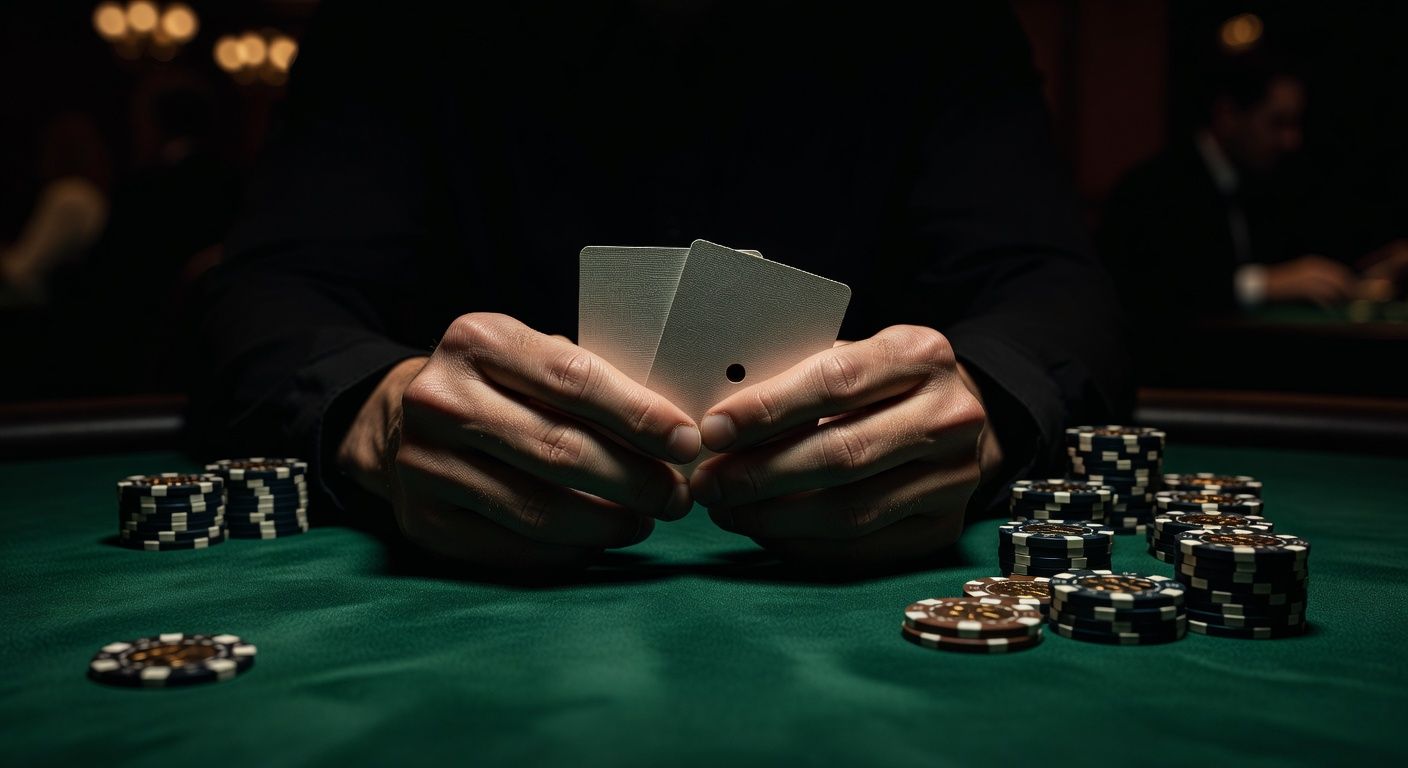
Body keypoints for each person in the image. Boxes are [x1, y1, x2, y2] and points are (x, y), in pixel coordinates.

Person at [192, 2, 1128, 571]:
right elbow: (264, 296)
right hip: (472, 562)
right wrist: (378, 413)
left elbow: (1060, 291)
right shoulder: (398, 21)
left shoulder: (935, 21)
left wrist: (985, 406)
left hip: (845, 556)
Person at [1100, 53, 1366, 319]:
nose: (1291, 140)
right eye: (1277, 122)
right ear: (1228, 116)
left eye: (1295, 123)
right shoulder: (1153, 187)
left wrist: (1363, 275)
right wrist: (1265, 284)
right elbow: (1154, 288)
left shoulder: (1270, 181)